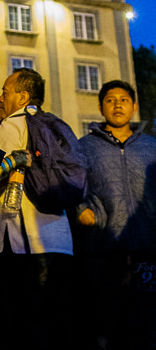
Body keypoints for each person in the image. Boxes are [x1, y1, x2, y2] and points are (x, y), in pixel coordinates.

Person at [0, 68, 74, 350]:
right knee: (56, 323)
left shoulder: (12, 124)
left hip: (22, 242)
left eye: (6, 91)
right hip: (60, 240)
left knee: (22, 325)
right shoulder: (54, 124)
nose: (2, 97)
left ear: (22, 96)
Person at [75, 80, 156, 348]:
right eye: (110, 100)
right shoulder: (84, 146)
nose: (117, 104)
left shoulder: (151, 146)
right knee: (107, 327)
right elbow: (73, 183)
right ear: (100, 107)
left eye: (123, 100)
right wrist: (82, 210)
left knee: (145, 324)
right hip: (103, 248)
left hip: (148, 248)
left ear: (134, 107)